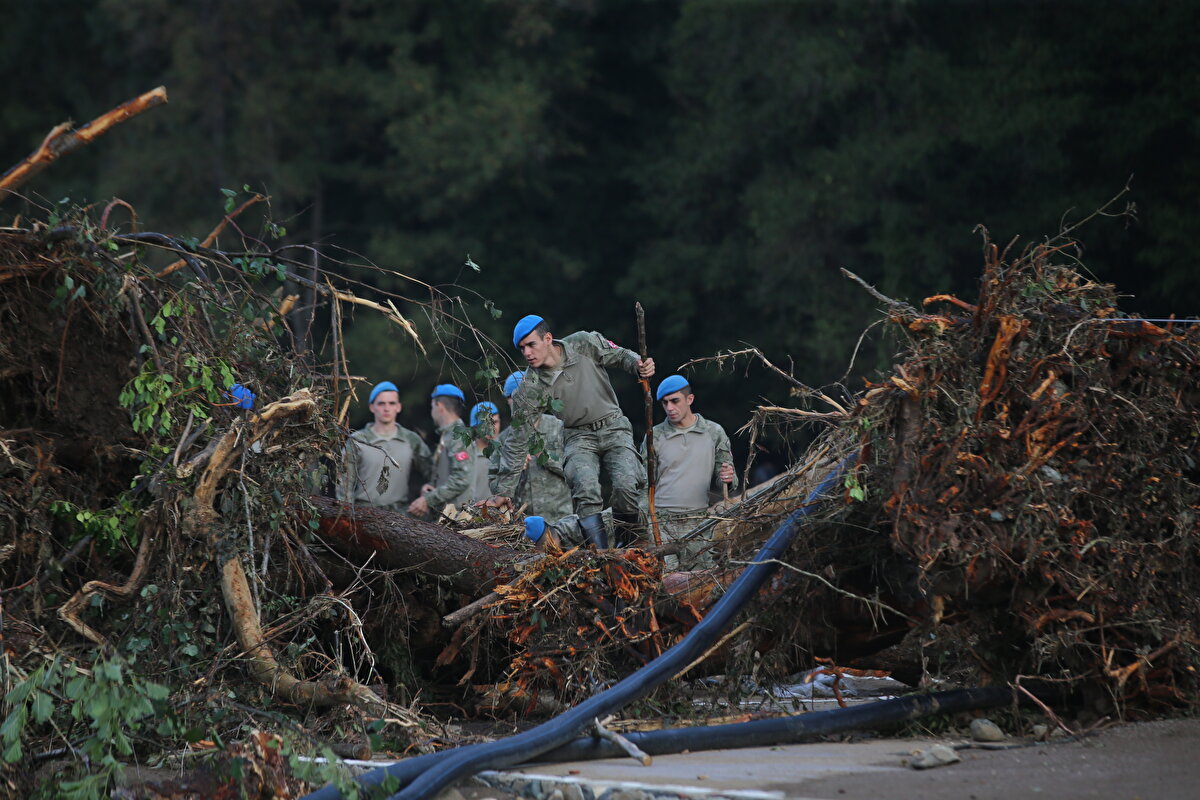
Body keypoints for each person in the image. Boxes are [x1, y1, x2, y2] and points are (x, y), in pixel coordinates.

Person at [492, 315, 654, 549]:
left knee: (626, 483)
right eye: (522, 348)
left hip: (613, 425)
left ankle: (627, 541)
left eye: (531, 344)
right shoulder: (530, 387)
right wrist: (503, 490)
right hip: (578, 435)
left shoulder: (583, 343)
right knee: (585, 489)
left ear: (548, 338)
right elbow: (517, 439)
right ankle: (599, 554)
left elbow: (620, 355)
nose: (526, 353)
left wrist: (639, 365)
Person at [642, 374, 736, 570]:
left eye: (675, 401)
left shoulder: (713, 432)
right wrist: (648, 523)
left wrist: (728, 477)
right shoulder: (655, 435)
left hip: (698, 522)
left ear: (689, 399)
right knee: (667, 581)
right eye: (665, 403)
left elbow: (726, 477)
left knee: (699, 581)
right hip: (662, 521)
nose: (670, 408)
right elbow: (641, 482)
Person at [489, 371, 573, 523]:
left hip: (561, 520)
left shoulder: (559, 428)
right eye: (512, 397)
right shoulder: (503, 440)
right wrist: (514, 469)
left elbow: (576, 472)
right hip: (523, 524)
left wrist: (543, 456)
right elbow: (493, 485)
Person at [338, 381, 432, 512]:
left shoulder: (411, 439)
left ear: (398, 407)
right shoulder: (358, 440)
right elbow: (344, 482)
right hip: (364, 513)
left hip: (400, 515)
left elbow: (432, 470)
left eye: (392, 403)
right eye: (381, 403)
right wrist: (346, 515)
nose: (386, 408)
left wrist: (428, 493)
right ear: (372, 407)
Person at [408, 384, 477, 519]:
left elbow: (462, 479)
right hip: (447, 517)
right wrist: (431, 489)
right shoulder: (448, 436)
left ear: (439, 405)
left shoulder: (458, 436)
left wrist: (428, 499)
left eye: (432, 406)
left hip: (457, 518)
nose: (431, 411)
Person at [467, 401, 500, 504]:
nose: (492, 428)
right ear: (474, 427)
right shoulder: (465, 455)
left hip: (502, 516)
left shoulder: (508, 453)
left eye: (495, 422)